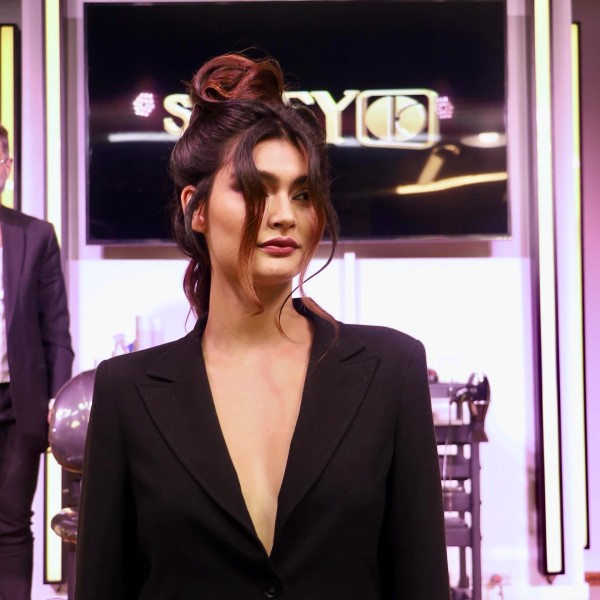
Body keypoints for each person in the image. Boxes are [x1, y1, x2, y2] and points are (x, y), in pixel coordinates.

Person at [75, 54, 450, 599]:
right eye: (255, 188)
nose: (284, 215)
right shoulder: (127, 392)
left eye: (302, 193)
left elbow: (421, 580)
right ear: (196, 208)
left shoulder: (390, 371)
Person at [0, 124, 74, 600]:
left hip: (18, 402)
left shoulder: (35, 236)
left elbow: (57, 330)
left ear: (6, 168)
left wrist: (55, 402)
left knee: (10, 523)